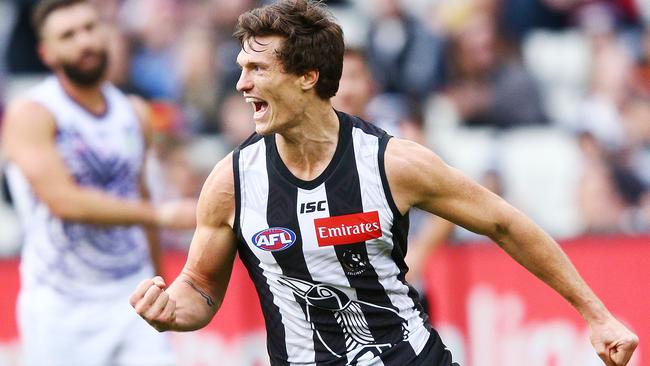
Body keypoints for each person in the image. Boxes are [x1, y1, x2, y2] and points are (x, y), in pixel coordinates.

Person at [130, 1, 639, 365]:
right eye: (241, 67)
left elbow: (505, 223)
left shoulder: (393, 163)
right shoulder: (232, 180)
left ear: (307, 75)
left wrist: (597, 315)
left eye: (257, 68)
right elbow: (199, 286)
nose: (241, 84)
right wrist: (170, 310)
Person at [1, 1, 196, 365]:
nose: (84, 41)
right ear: (46, 52)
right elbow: (64, 201)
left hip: (132, 293)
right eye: (68, 35)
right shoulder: (32, 113)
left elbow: (140, 193)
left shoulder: (134, 111)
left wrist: (160, 283)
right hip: (61, 305)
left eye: (90, 28)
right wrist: (162, 213)